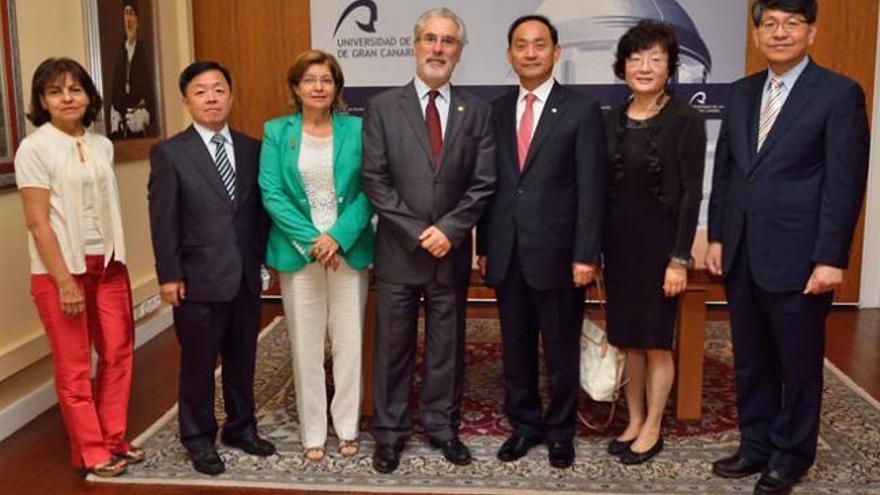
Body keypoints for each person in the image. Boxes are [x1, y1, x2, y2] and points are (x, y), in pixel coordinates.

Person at [706, 1, 869, 494]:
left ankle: (791, 455)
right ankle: (755, 444)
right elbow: (729, 172)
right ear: (757, 35)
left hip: (802, 257)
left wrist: (831, 257)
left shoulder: (838, 93)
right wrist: (716, 235)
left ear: (811, 32)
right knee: (751, 358)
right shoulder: (740, 93)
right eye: (770, 24)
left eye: (791, 24)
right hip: (741, 250)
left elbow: (844, 183)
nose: (780, 33)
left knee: (797, 365)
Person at [361, 7, 496, 474]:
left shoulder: (476, 111)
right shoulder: (381, 107)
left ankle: (442, 428)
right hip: (400, 251)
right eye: (431, 39)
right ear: (415, 45)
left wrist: (451, 231)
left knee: (446, 346)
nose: (438, 49)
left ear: (459, 52)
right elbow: (375, 180)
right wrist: (419, 232)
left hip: (450, 253)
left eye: (448, 41)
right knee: (392, 347)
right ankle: (391, 433)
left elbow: (483, 182)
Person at [476, 15, 606, 469]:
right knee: (514, 348)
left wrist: (586, 254)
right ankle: (524, 425)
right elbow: (488, 185)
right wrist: (484, 246)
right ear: (509, 54)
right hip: (507, 251)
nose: (530, 53)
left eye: (539, 45)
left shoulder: (582, 110)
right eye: (520, 45)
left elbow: (592, 188)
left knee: (560, 348)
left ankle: (560, 430)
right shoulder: (492, 110)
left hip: (560, 255)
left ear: (556, 52)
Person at [15, 57, 144, 477]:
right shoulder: (34, 148)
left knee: (119, 353)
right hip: (61, 272)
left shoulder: (101, 144)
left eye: (75, 89)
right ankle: (90, 450)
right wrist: (64, 281)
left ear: (88, 96)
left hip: (109, 265)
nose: (67, 98)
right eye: (55, 91)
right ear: (42, 101)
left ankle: (113, 439)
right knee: (74, 366)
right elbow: (37, 222)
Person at [148, 61, 275, 476]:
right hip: (196, 279)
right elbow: (162, 219)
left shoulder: (253, 148)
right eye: (201, 92)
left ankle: (241, 427)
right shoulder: (170, 153)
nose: (211, 98)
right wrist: (169, 274)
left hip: (244, 276)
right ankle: (198, 437)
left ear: (231, 96)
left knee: (243, 359)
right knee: (199, 364)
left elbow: (258, 214)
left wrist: (262, 262)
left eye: (219, 89)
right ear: (186, 101)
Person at [259, 49, 374, 462]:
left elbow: (371, 189)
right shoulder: (276, 132)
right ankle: (313, 431)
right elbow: (271, 192)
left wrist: (338, 237)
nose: (319, 87)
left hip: (348, 249)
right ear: (295, 87)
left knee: (349, 342)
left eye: (326, 80)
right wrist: (313, 241)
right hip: (300, 254)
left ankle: (346, 427)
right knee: (305, 344)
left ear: (337, 87)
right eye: (310, 80)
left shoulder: (358, 129)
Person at [602, 20, 706, 465]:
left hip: (661, 249)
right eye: (636, 58)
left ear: (670, 68)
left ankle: (654, 426)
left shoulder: (685, 120)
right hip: (619, 248)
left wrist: (679, 259)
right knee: (629, 340)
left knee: (657, 341)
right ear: (623, 66)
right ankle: (634, 418)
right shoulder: (611, 118)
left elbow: (690, 194)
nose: (645, 66)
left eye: (656, 59)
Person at [109, 0, 156, 139]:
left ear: (137, 19)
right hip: (122, 122)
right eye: (126, 14)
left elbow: (150, 91)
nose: (128, 19)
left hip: (138, 121)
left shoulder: (144, 51)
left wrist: (144, 115)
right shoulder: (119, 53)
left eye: (131, 14)